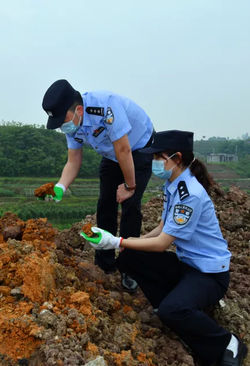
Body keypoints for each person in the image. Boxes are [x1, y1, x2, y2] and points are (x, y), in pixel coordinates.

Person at [80, 130, 248, 366]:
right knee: (130, 257)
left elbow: (161, 244)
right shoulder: (173, 185)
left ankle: (228, 343)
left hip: (210, 276)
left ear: (176, 158)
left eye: (158, 157)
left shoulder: (189, 194)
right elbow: (160, 229)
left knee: (173, 310)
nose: (153, 162)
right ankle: (169, 305)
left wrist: (116, 241)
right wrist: (126, 244)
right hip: (187, 266)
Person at [41, 79, 155, 293]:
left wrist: (129, 187)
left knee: (130, 206)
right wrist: (60, 187)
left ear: (79, 110)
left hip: (138, 149)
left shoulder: (105, 106)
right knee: (105, 203)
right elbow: (73, 161)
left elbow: (124, 151)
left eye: (62, 120)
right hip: (112, 156)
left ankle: (130, 267)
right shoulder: (72, 124)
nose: (62, 127)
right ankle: (104, 263)